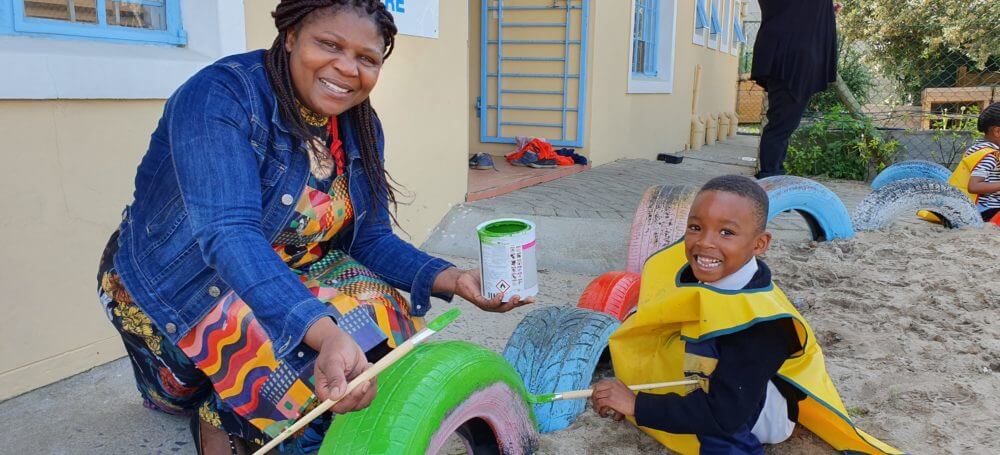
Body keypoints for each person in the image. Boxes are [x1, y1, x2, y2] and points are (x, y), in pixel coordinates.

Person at [96, 2, 531, 454]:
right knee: (314, 392)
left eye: (367, 58)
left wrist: (455, 279)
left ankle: (236, 399)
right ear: (290, 37)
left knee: (384, 340)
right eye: (329, 44)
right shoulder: (219, 97)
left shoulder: (357, 124)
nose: (346, 68)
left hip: (294, 267)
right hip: (193, 280)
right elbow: (230, 234)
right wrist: (320, 329)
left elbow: (370, 237)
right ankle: (220, 418)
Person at [591, 175, 900, 454]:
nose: (705, 242)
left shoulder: (762, 323)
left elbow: (725, 414)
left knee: (721, 437)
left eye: (727, 232)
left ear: (759, 244)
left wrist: (636, 404)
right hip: (706, 373)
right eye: (695, 227)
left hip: (756, 409)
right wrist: (630, 392)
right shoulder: (689, 270)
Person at [751, 0, 840, 178]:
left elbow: (792, 11)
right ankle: (770, 181)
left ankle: (772, 178)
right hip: (793, 61)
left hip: (788, 56)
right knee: (781, 126)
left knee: (782, 125)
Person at [962, 103, 1000, 222]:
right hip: (989, 210)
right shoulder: (990, 155)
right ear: (997, 131)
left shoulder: (979, 148)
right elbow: (974, 186)